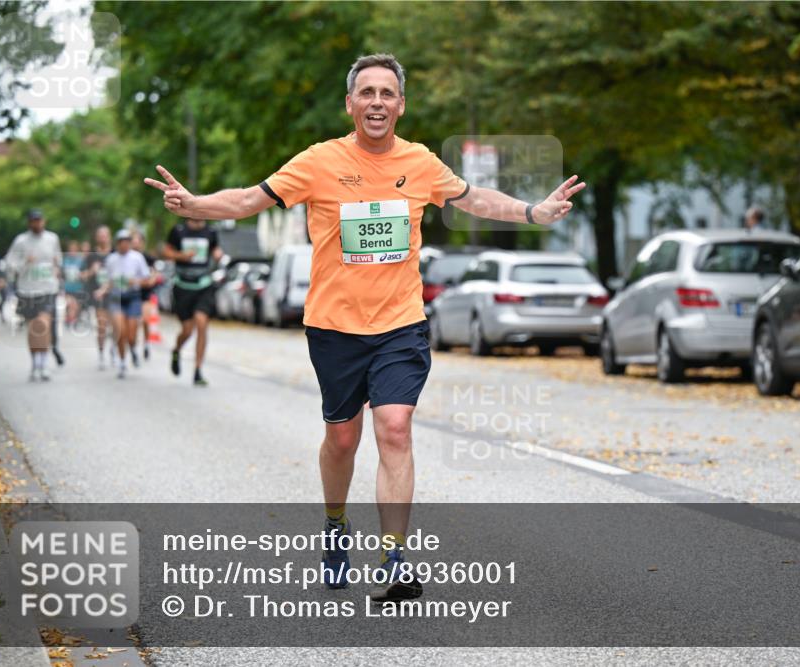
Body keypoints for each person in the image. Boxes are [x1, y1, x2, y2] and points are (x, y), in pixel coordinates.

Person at [144, 53, 584, 601]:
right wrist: (194, 205)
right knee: (342, 437)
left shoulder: (420, 163)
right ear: (350, 104)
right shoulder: (318, 162)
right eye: (367, 93)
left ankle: (394, 558)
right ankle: (334, 529)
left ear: (401, 105)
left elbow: (474, 199)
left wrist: (531, 212)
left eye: (388, 93)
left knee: (394, 429)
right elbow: (248, 201)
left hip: (401, 324)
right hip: (334, 327)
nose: (377, 102)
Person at [160, 218, 221, 386]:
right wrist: (181, 256)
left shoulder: (211, 232)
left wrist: (217, 254)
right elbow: (166, 252)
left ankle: (198, 370)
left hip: (204, 284)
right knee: (187, 330)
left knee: (201, 323)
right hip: (183, 285)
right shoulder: (178, 231)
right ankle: (176, 350)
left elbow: (215, 249)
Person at [4, 209, 63, 381]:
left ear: (43, 221)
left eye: (39, 220)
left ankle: (43, 364)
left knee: (43, 325)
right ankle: (35, 363)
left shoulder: (52, 239)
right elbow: (9, 265)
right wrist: (25, 262)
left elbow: (58, 259)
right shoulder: (21, 241)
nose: (37, 223)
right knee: (33, 329)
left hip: (48, 289)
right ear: (29, 223)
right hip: (27, 290)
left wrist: (56, 266)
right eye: (33, 221)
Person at [97, 229, 152, 379]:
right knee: (120, 331)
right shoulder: (111, 259)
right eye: (122, 242)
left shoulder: (137, 258)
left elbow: (147, 280)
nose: (125, 245)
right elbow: (108, 281)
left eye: (128, 242)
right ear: (118, 244)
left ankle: (133, 348)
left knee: (131, 333)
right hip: (116, 297)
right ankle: (122, 362)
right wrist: (102, 290)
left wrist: (136, 281)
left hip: (133, 297)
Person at [81, 225, 113, 370]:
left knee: (116, 325)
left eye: (105, 235)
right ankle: (101, 354)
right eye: (100, 235)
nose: (102, 238)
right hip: (98, 295)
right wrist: (92, 271)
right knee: (102, 326)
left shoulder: (115, 253)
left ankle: (114, 349)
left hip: (115, 294)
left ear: (109, 237)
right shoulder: (92, 256)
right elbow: (81, 275)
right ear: (96, 238)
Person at [132, 230, 160, 361]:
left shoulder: (148, 258)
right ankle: (133, 346)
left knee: (145, 320)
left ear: (142, 243)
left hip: (146, 294)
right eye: (133, 241)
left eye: (138, 241)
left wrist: (151, 281)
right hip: (132, 293)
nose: (135, 244)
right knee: (134, 322)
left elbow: (155, 274)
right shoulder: (128, 258)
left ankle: (147, 344)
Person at [62, 240, 86, 326]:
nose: (72, 251)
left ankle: (72, 319)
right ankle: (69, 320)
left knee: (75, 307)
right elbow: (61, 273)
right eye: (71, 249)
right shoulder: (65, 260)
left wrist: (81, 275)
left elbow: (85, 274)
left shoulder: (81, 261)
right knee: (71, 305)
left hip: (78, 288)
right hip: (68, 288)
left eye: (74, 249)